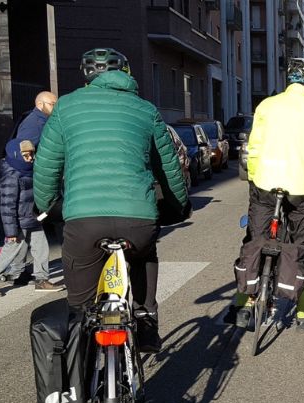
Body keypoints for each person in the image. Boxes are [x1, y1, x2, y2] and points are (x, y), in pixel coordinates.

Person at [33, 48, 189, 353]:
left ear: (87, 77)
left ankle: (82, 363)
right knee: (144, 255)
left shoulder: (65, 108)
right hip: (138, 219)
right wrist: (176, 206)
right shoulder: (145, 110)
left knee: (80, 309)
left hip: (83, 220)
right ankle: (145, 322)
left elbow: (46, 164)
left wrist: (48, 204)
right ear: (127, 74)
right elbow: (169, 167)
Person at [234, 58, 304, 333]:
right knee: (302, 248)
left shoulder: (267, 105)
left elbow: (253, 147)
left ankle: (243, 305)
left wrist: (254, 178)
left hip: (265, 183)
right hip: (301, 188)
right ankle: (303, 315)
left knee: (254, 239)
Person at [0, 139, 64, 297]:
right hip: (19, 222)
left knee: (42, 248)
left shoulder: (27, 170)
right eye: (26, 155)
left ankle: (42, 280)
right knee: (10, 252)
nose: (30, 158)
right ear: (16, 155)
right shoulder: (11, 176)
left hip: (32, 218)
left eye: (31, 154)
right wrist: (11, 232)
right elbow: (6, 206)